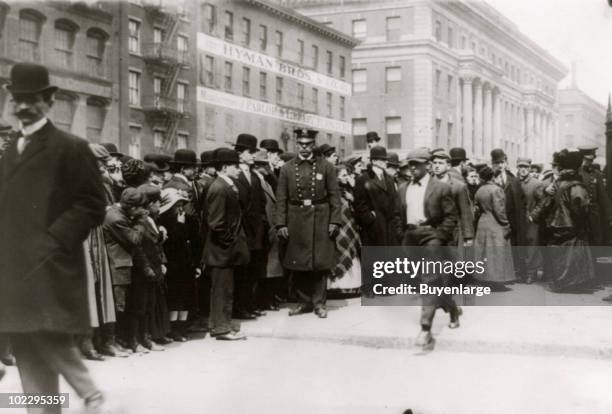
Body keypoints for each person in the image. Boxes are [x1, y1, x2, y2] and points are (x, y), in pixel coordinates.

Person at [0, 62, 109, 412]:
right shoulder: (12, 147)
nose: (23, 107)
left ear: (49, 100)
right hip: (15, 268)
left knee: (47, 334)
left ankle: (90, 394)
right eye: (17, 99)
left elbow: (92, 204)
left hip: (50, 266)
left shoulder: (71, 147)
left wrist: (52, 241)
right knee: (26, 344)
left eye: (31, 99)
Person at [275, 128, 342, 318]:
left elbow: (334, 196)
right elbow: (281, 199)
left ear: (313, 144)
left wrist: (335, 221)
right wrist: (281, 224)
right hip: (295, 219)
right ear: (297, 144)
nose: (304, 148)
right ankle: (303, 302)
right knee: (299, 264)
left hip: (320, 218)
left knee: (320, 264)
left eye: (308, 144)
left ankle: (319, 304)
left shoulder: (326, 167)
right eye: (301, 144)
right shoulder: (287, 168)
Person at [398, 148, 459, 347]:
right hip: (410, 237)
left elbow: (451, 217)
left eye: (417, 164)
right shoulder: (402, 188)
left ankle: (425, 329)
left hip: (431, 237)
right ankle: (452, 308)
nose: (412, 168)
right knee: (419, 281)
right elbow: (397, 215)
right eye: (410, 164)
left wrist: (439, 236)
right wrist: (402, 235)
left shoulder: (440, 188)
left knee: (429, 279)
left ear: (427, 165)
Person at [532, 149, 595, 292]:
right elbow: (580, 208)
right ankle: (573, 283)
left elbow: (546, 201)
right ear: (576, 167)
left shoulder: (558, 183)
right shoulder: (576, 185)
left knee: (561, 255)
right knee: (574, 255)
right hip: (571, 224)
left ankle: (560, 283)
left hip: (557, 223)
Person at [203, 148, 250, 340]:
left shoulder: (225, 185)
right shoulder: (219, 188)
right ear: (224, 167)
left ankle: (218, 325)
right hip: (221, 251)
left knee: (223, 289)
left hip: (223, 250)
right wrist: (229, 242)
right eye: (235, 165)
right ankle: (222, 329)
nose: (239, 169)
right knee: (223, 290)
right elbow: (216, 223)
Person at [103, 188, 148, 353]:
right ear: (132, 207)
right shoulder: (116, 219)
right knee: (117, 306)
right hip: (117, 266)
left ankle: (120, 340)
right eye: (140, 208)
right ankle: (111, 342)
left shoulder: (119, 213)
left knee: (123, 305)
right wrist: (141, 221)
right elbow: (134, 239)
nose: (143, 210)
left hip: (122, 265)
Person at [233, 134, 268, 320]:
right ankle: (239, 307)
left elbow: (261, 202)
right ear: (240, 154)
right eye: (250, 152)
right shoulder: (234, 174)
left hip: (255, 232)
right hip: (241, 231)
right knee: (241, 272)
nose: (253, 155)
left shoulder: (254, 175)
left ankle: (249, 304)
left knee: (253, 270)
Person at [158, 187, 199, 342]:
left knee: (186, 296)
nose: (180, 208)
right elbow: (173, 242)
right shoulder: (164, 222)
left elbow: (194, 242)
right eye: (177, 205)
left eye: (182, 204)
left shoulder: (188, 220)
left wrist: (196, 264)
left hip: (186, 264)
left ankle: (182, 327)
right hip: (173, 265)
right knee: (175, 297)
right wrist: (180, 225)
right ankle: (174, 329)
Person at [473, 166, 515, 290]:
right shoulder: (497, 190)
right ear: (493, 176)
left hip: (482, 223)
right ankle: (496, 280)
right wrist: (506, 224)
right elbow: (499, 210)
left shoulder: (479, 190)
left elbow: (476, 209)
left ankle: (484, 279)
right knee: (496, 251)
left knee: (484, 252)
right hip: (495, 223)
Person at [253, 151, 285, 310]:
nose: (268, 167)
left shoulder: (265, 180)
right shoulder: (256, 182)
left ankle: (269, 298)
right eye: (264, 165)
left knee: (272, 267)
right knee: (266, 268)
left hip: (272, 228)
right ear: (257, 166)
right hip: (265, 228)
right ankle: (263, 300)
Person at [354, 146, 401, 246]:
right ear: (374, 161)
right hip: (373, 229)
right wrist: (370, 219)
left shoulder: (389, 179)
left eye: (386, 160)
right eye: (383, 160)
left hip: (390, 227)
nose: (386, 162)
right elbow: (359, 205)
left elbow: (394, 200)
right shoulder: (363, 179)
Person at [491, 148, 527, 281]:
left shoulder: (514, 180)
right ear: (492, 164)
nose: (499, 166)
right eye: (496, 163)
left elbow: (521, 200)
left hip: (513, 218)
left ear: (506, 162)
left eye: (502, 162)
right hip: (496, 218)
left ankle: (516, 272)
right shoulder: (490, 179)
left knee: (515, 245)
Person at [328, 164, 362, 295]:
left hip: (350, 227)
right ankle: (336, 285)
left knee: (351, 250)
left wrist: (352, 197)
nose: (346, 178)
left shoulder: (349, 191)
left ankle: (353, 285)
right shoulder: (332, 192)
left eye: (347, 175)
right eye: (343, 175)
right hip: (338, 227)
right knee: (340, 251)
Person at [430, 149, 474, 249]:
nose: (436, 166)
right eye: (434, 163)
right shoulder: (426, 184)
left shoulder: (458, 186)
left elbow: (465, 213)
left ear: (448, 166)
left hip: (452, 235)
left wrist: (468, 236)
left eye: (441, 163)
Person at [517, 157, 545, 283]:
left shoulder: (536, 184)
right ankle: (521, 272)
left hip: (531, 221)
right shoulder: (515, 182)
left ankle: (531, 273)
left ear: (529, 168)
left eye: (525, 167)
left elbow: (542, 202)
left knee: (531, 246)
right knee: (520, 245)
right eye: (520, 167)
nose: (523, 170)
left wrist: (533, 215)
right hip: (518, 221)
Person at [578, 146, 610, 246]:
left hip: (594, 212)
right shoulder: (576, 173)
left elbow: (603, 196)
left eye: (592, 160)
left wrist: (609, 215)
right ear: (582, 158)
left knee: (596, 238)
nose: (590, 162)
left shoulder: (597, 174)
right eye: (588, 160)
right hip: (579, 212)